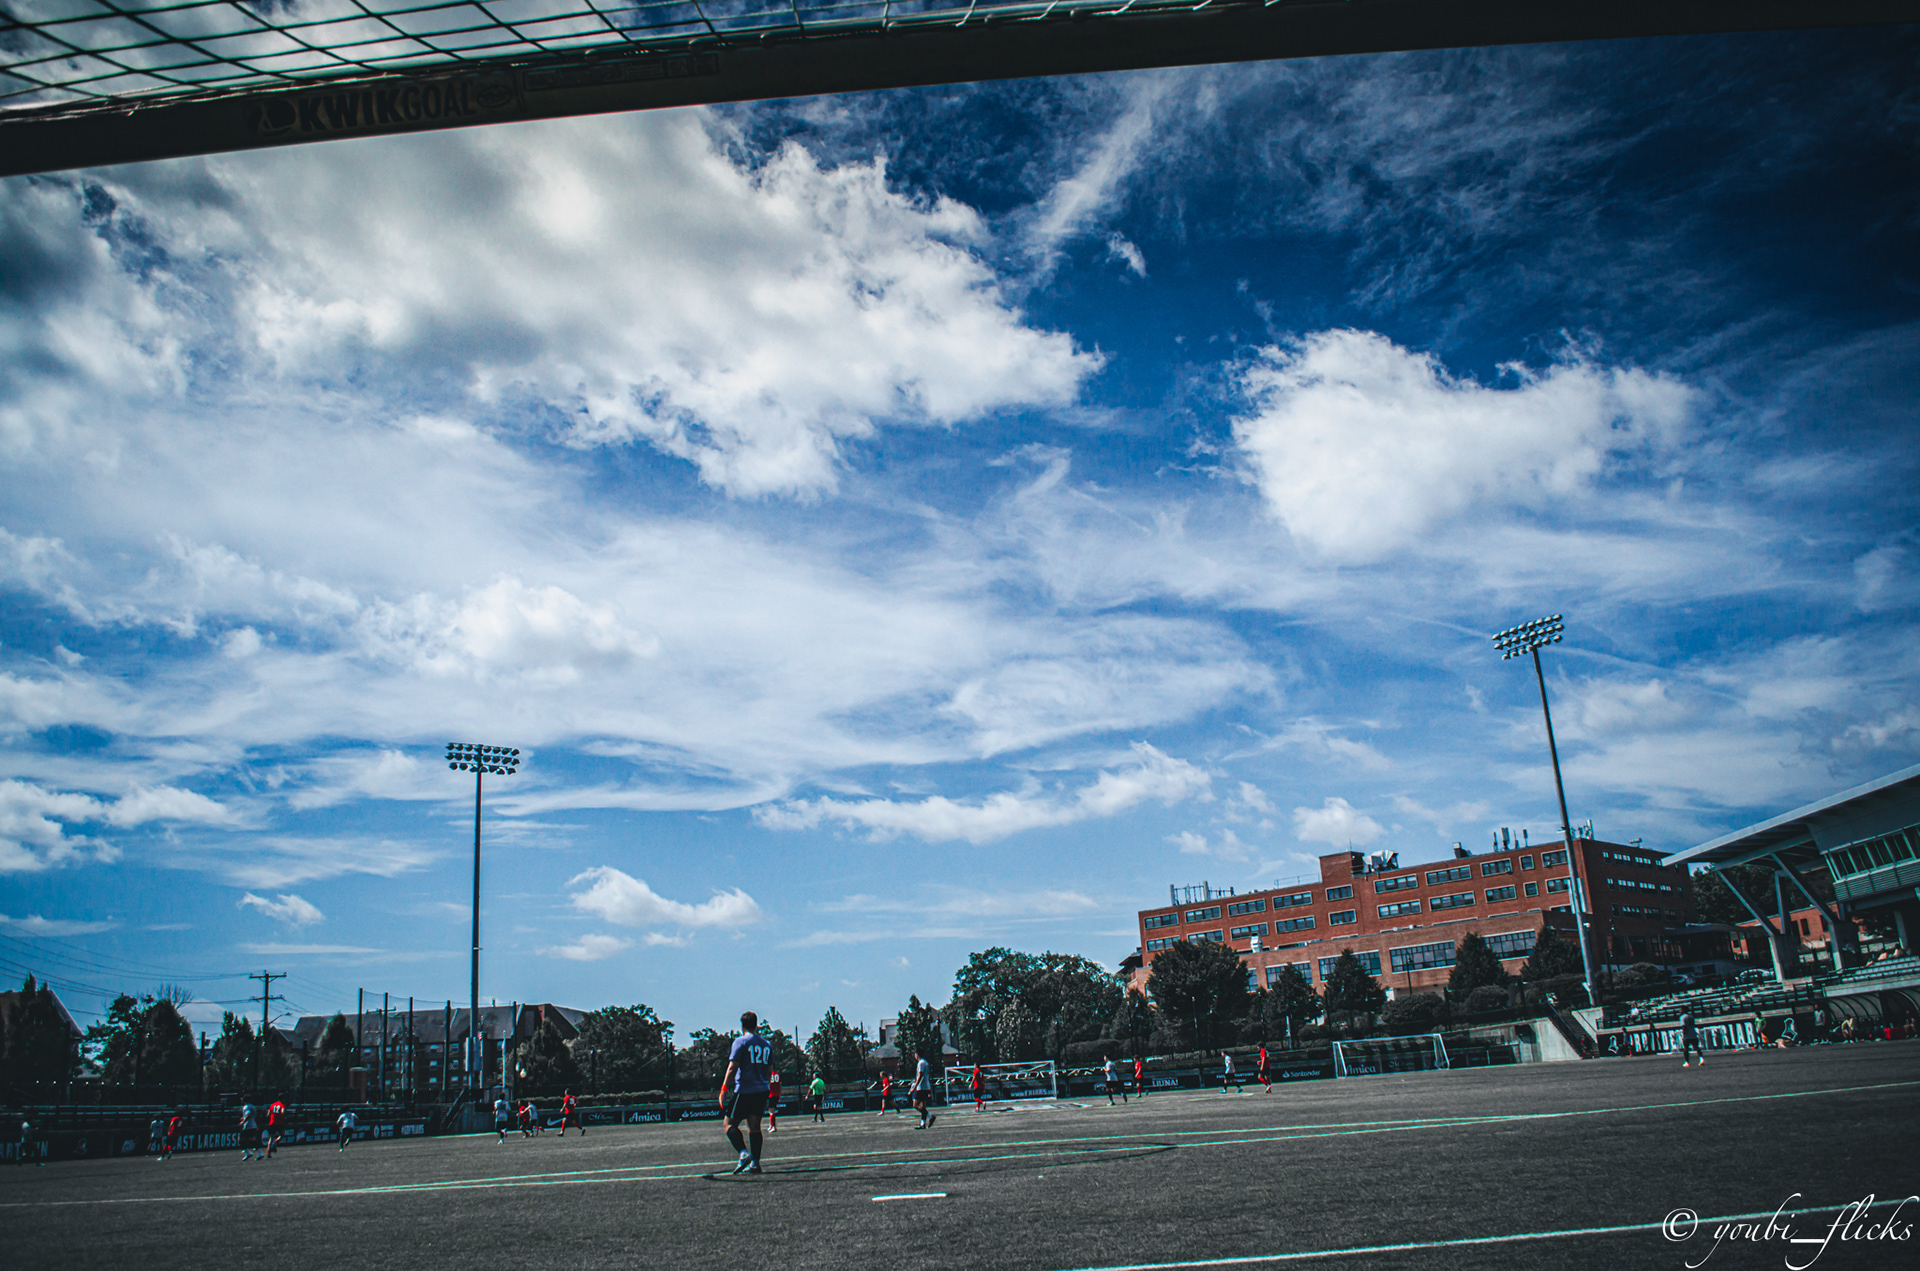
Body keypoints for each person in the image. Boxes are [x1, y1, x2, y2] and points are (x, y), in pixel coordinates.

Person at [719, 1010, 773, 1175]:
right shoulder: (766, 1044)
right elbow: (769, 1070)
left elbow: (733, 1067)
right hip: (761, 1089)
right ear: (756, 1025)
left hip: (744, 1089)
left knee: (729, 1124)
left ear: (742, 1025)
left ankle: (743, 1153)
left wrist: (724, 1088)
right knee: (754, 1127)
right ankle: (755, 1163)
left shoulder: (740, 1042)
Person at [909, 1052, 936, 1130]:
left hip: (921, 1087)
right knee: (923, 1106)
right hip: (926, 1086)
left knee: (915, 1105)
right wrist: (929, 1089)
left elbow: (920, 1075)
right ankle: (922, 1124)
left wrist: (914, 1087)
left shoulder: (921, 1063)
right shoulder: (926, 1062)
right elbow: (928, 1076)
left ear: (917, 1054)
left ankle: (930, 1116)